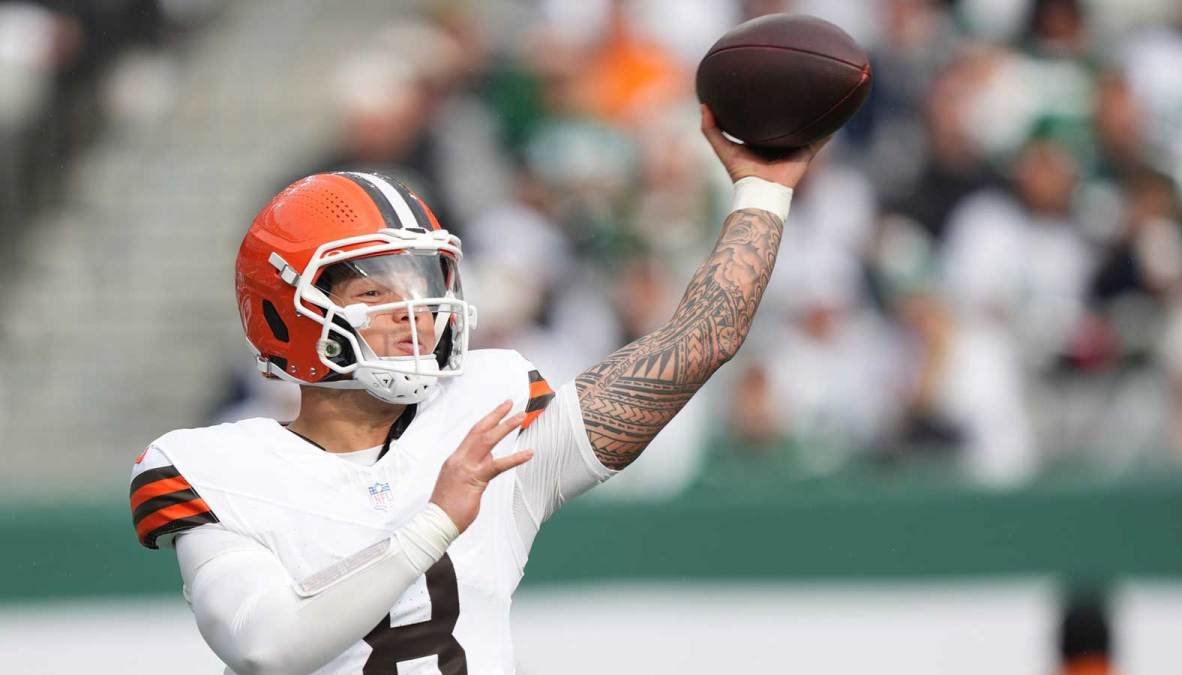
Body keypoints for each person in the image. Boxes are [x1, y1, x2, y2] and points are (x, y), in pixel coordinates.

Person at [127, 106, 823, 675]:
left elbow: (697, 343)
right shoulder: (212, 469)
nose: (416, 317)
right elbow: (267, 644)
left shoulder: (487, 417)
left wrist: (763, 192)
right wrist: (434, 521)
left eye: (425, 292)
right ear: (285, 313)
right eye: (376, 293)